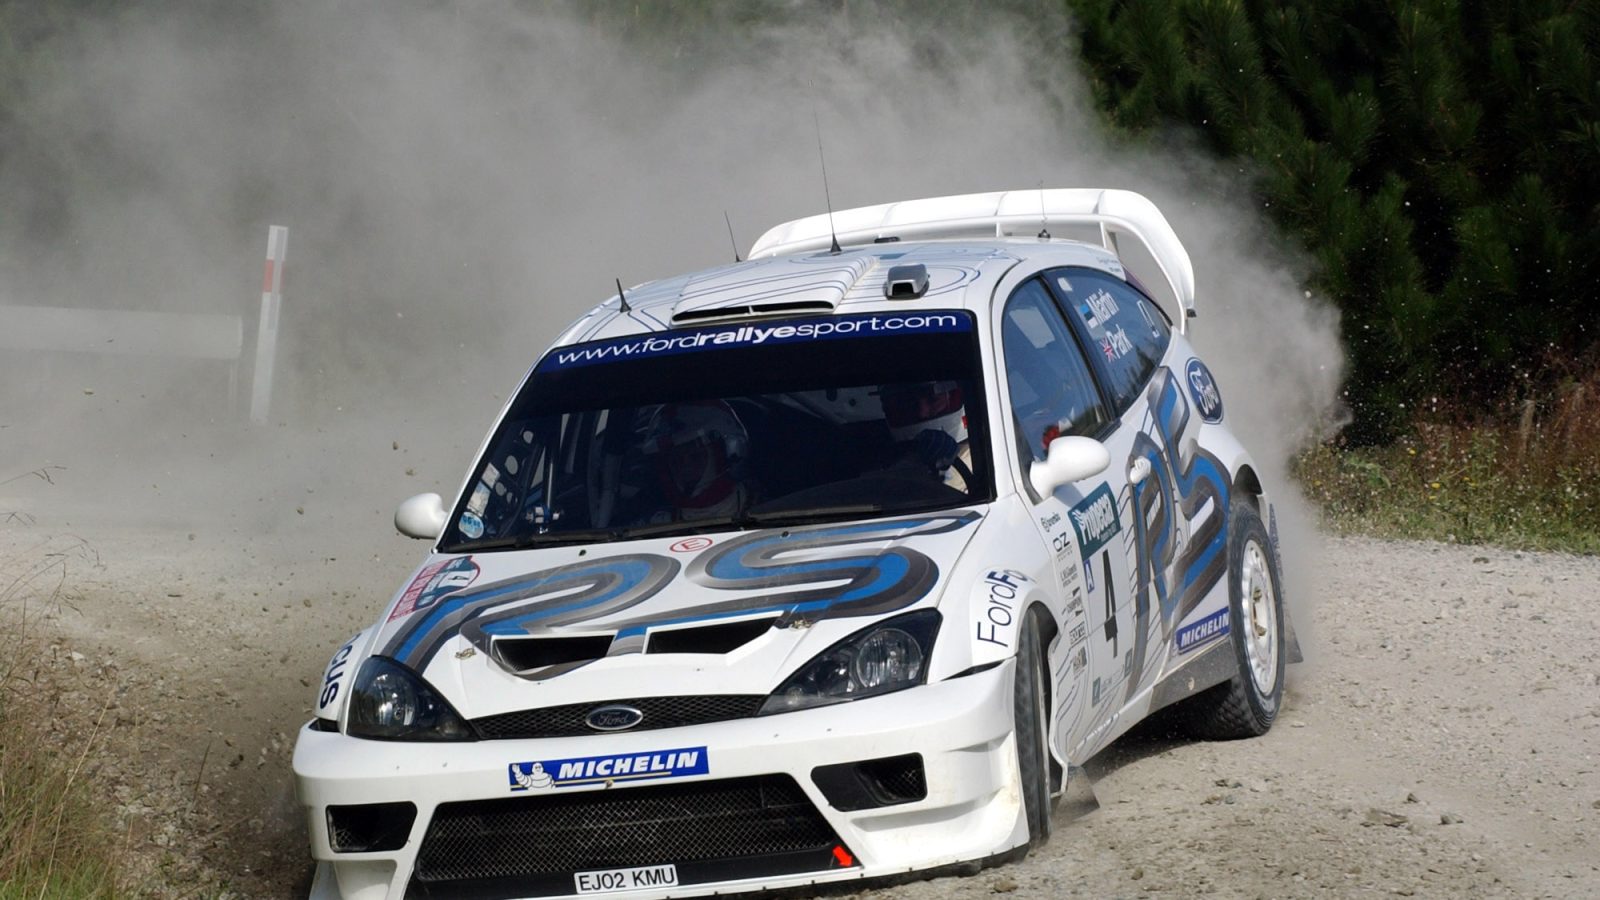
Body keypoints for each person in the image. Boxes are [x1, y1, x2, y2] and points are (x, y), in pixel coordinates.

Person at [639, 400, 752, 521]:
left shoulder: (762, 511)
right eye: (676, 460)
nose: (685, 467)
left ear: (722, 456)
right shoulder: (655, 524)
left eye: (695, 457)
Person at [878, 380, 973, 488]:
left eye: (933, 400)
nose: (922, 413)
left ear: (954, 397)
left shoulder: (979, 460)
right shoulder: (890, 472)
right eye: (909, 403)